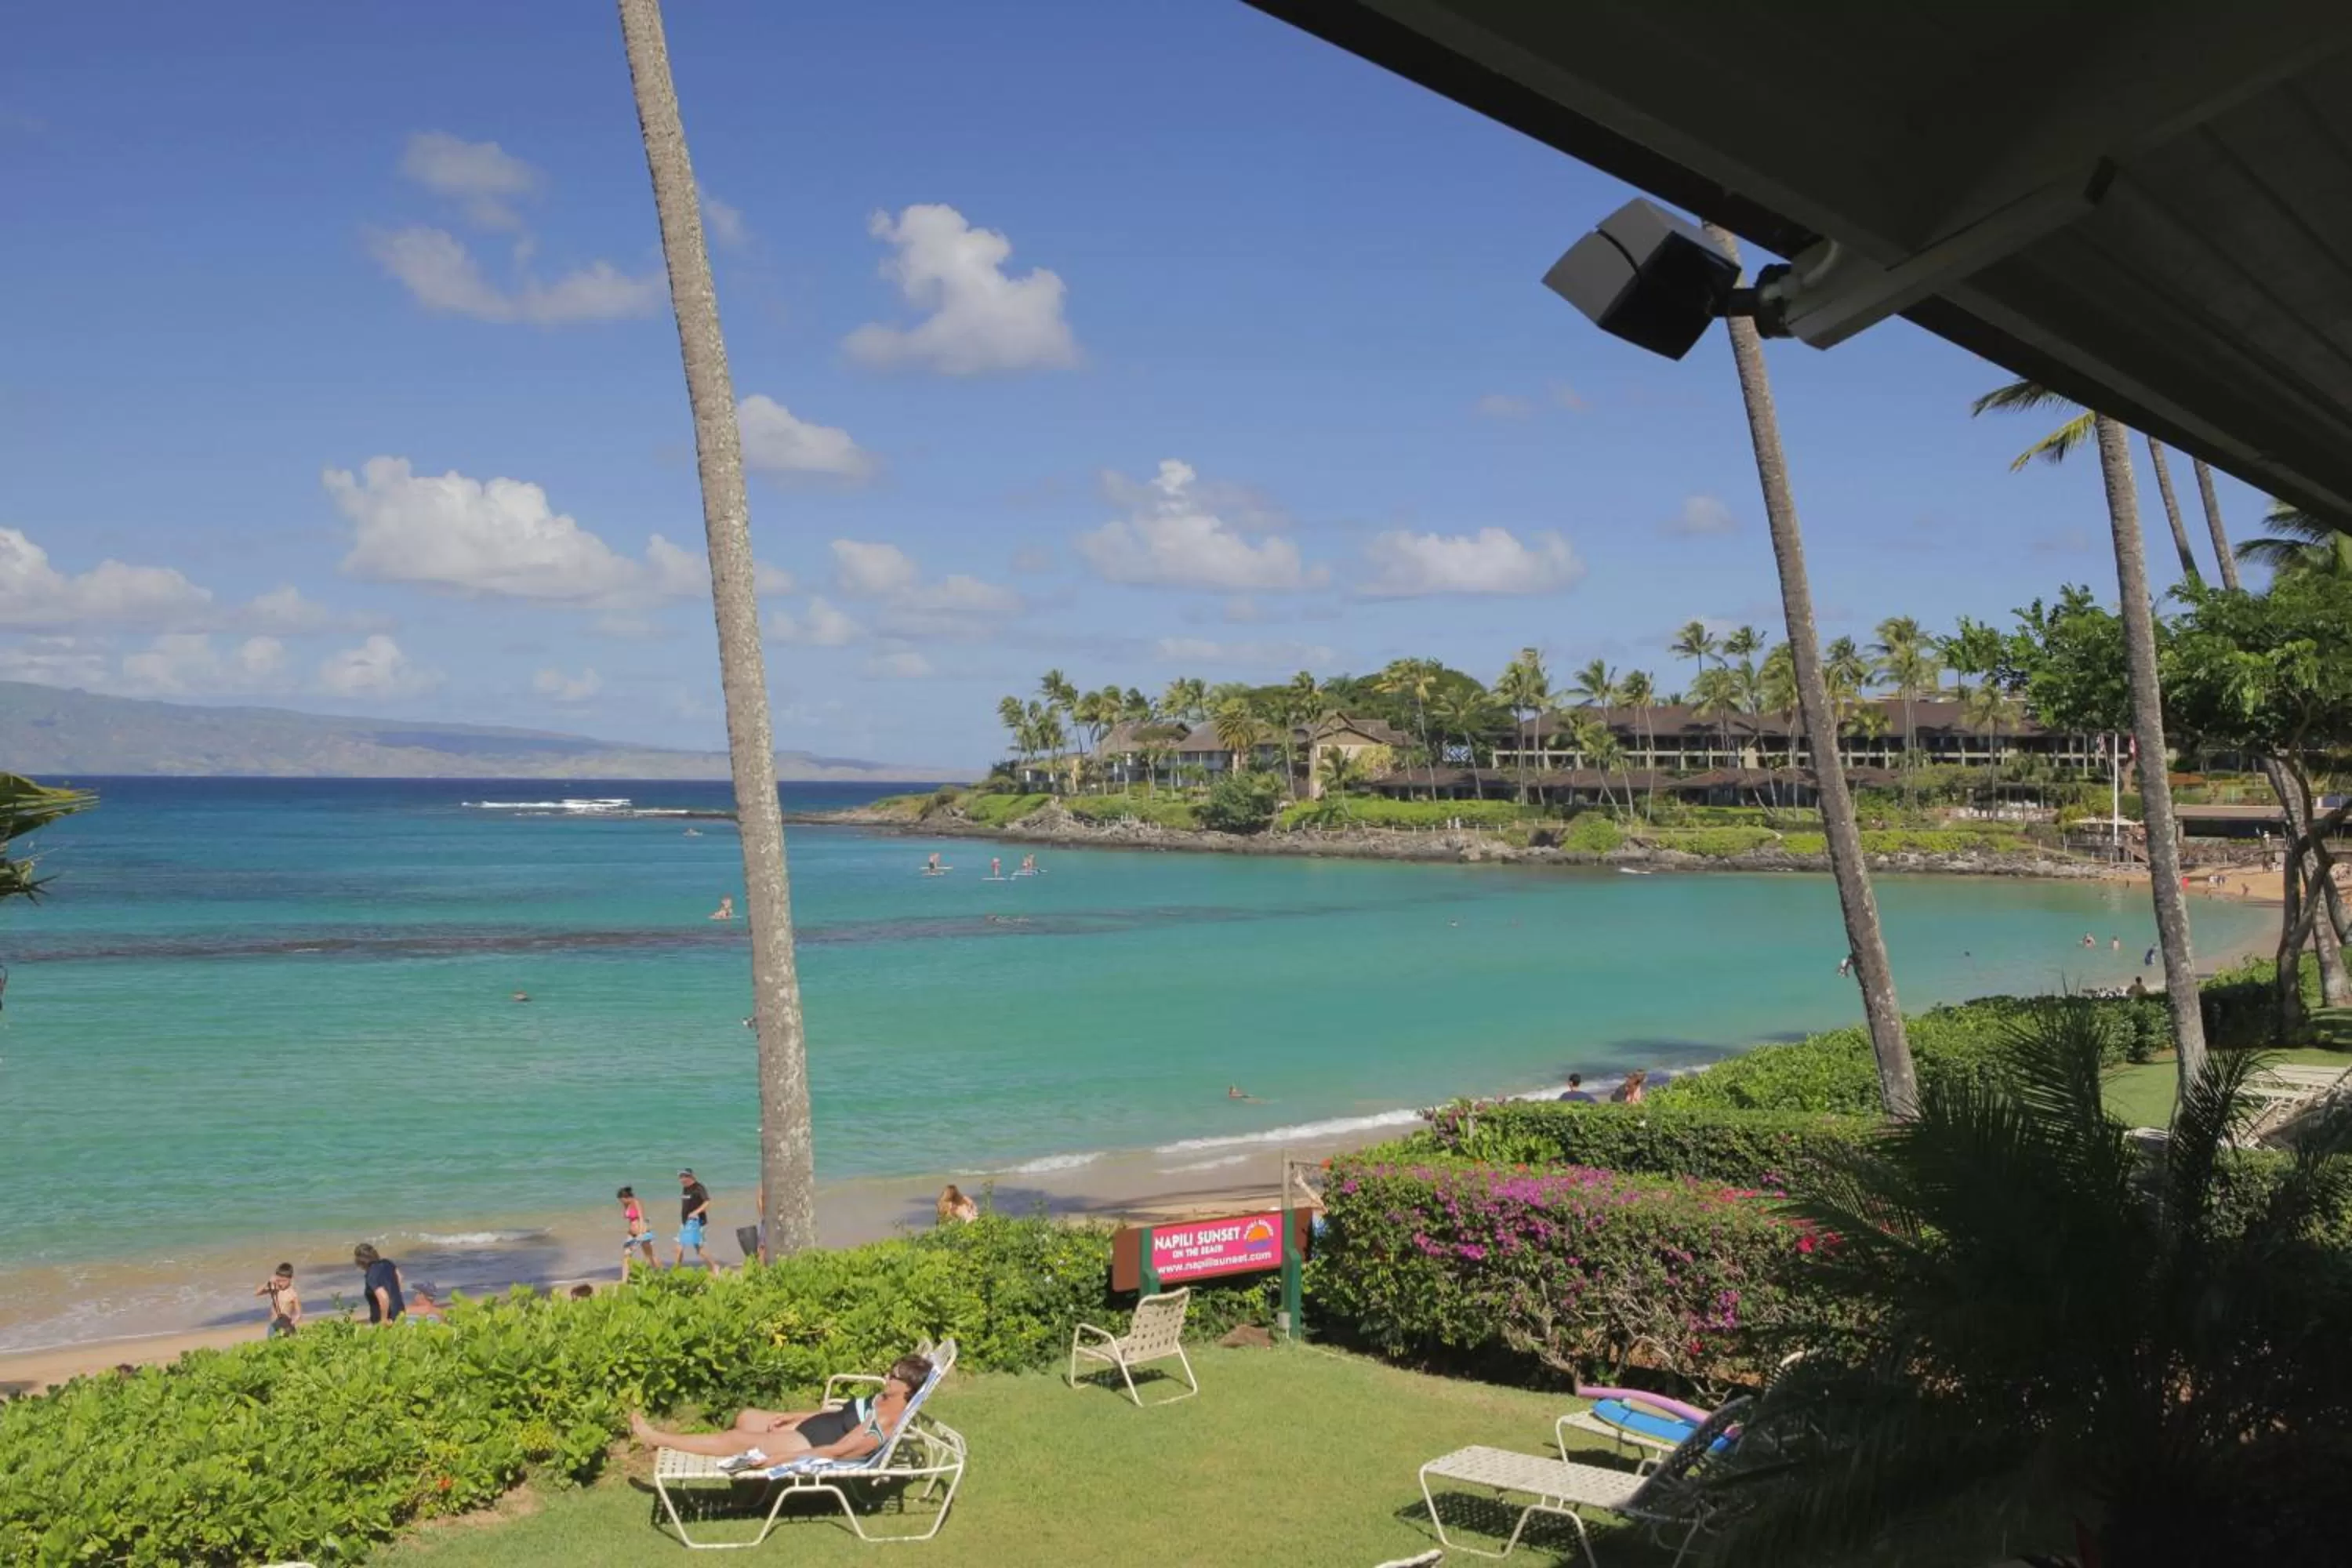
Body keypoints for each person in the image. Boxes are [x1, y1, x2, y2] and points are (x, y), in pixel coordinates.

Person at [629, 1352, 934, 1465]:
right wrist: (797, 1416)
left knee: (734, 1438)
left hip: (806, 1443)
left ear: (907, 1388)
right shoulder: (883, 1399)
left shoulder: (884, 1420)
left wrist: (780, 1460)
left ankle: (658, 1439)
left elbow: (838, 1451)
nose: (886, 1376)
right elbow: (839, 1416)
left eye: (893, 1376)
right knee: (746, 1417)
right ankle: (752, 1493)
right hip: (808, 1427)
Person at [674, 1169, 718, 1275]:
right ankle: (676, 1271)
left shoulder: (699, 1187)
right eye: (680, 1177)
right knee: (678, 1248)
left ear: (690, 1177)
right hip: (685, 1223)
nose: (681, 1179)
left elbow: (707, 1202)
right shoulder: (685, 1188)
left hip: (697, 1223)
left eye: (684, 1177)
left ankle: (714, 1267)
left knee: (700, 1250)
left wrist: (696, 1212)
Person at [354, 1243, 405, 1325]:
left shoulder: (371, 1275)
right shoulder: (388, 1263)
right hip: (400, 1313)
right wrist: (394, 1295)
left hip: (386, 1319)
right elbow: (400, 1277)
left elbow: (383, 1297)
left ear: (359, 1261)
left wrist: (384, 1320)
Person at [618, 1185, 659, 1279]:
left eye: (621, 1200)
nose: (621, 1202)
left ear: (626, 1197)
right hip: (631, 1234)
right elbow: (627, 1218)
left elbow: (641, 1218)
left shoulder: (636, 1202)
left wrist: (640, 1234)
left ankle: (658, 1274)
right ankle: (624, 1280)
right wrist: (625, 1207)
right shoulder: (626, 1205)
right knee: (626, 1255)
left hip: (642, 1232)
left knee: (649, 1256)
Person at [256, 1262, 301, 1337]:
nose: (281, 1283)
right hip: (273, 1324)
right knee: (272, 1341)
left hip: (286, 1325)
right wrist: (268, 1283)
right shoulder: (275, 1289)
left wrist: (292, 1323)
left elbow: (298, 1313)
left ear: (291, 1279)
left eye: (284, 1281)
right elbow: (257, 1293)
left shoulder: (293, 1294)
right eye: (279, 1280)